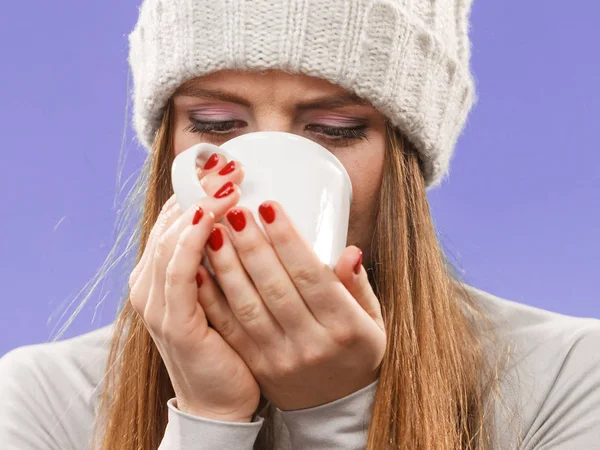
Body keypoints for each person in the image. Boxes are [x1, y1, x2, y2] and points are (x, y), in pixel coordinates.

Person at [1, 0, 599, 449]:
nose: (264, 173)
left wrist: (336, 413)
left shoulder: (565, 377)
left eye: (335, 128)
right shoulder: (44, 400)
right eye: (214, 122)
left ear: (405, 165)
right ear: (168, 148)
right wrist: (207, 421)